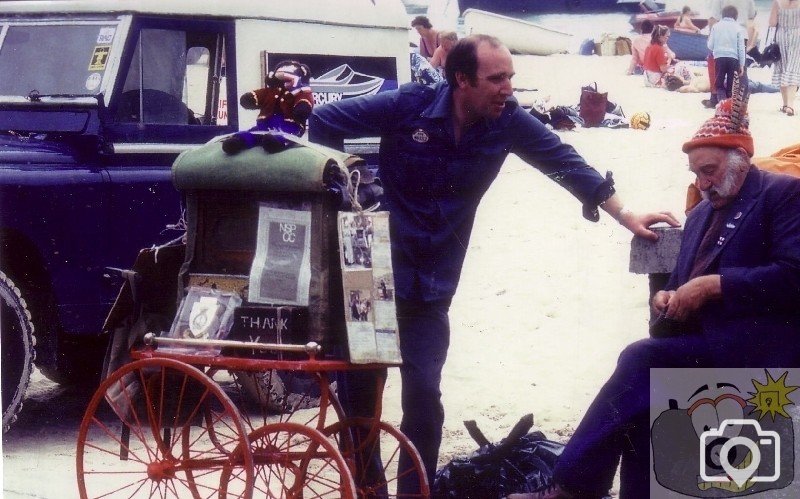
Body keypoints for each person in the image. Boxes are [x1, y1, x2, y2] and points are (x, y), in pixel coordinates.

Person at [308, 34, 679, 494]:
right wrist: (353, 191)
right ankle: (367, 491)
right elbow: (323, 120)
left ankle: (414, 492)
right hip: (370, 270)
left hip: (432, 284)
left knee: (424, 396)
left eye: (511, 77)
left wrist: (627, 215)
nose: (508, 88)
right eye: (497, 78)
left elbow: (564, 162)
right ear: (462, 80)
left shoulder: (507, 122)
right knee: (362, 397)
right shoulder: (409, 104)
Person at [508, 82, 800, 499]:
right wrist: (666, 299)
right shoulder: (701, 214)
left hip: (764, 353)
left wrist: (715, 286)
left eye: (709, 171)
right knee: (640, 390)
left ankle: (574, 487)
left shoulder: (782, 194)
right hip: (708, 350)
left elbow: (794, 275)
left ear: (740, 160)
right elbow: (681, 284)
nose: (701, 183)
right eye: (696, 175)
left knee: (641, 361)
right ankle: (586, 487)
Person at [703, 0, 757, 107]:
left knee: (719, 76)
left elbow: (713, 17)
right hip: (742, 33)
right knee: (741, 73)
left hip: (722, 38)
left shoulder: (717, 25)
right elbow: (752, 16)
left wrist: (712, 36)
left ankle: (717, 100)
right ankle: (739, 103)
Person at [707, 6, 746, 102]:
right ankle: (729, 104)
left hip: (719, 58)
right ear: (735, 16)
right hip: (733, 59)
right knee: (731, 85)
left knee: (719, 84)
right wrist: (742, 65)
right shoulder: (738, 28)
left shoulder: (716, 26)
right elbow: (741, 48)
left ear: (722, 15)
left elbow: (710, 46)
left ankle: (721, 103)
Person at [769, 0, 800, 116]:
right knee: (794, 67)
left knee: (782, 68)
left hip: (781, 36)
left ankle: (785, 104)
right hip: (797, 37)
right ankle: (791, 106)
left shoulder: (777, 2)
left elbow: (772, 23)